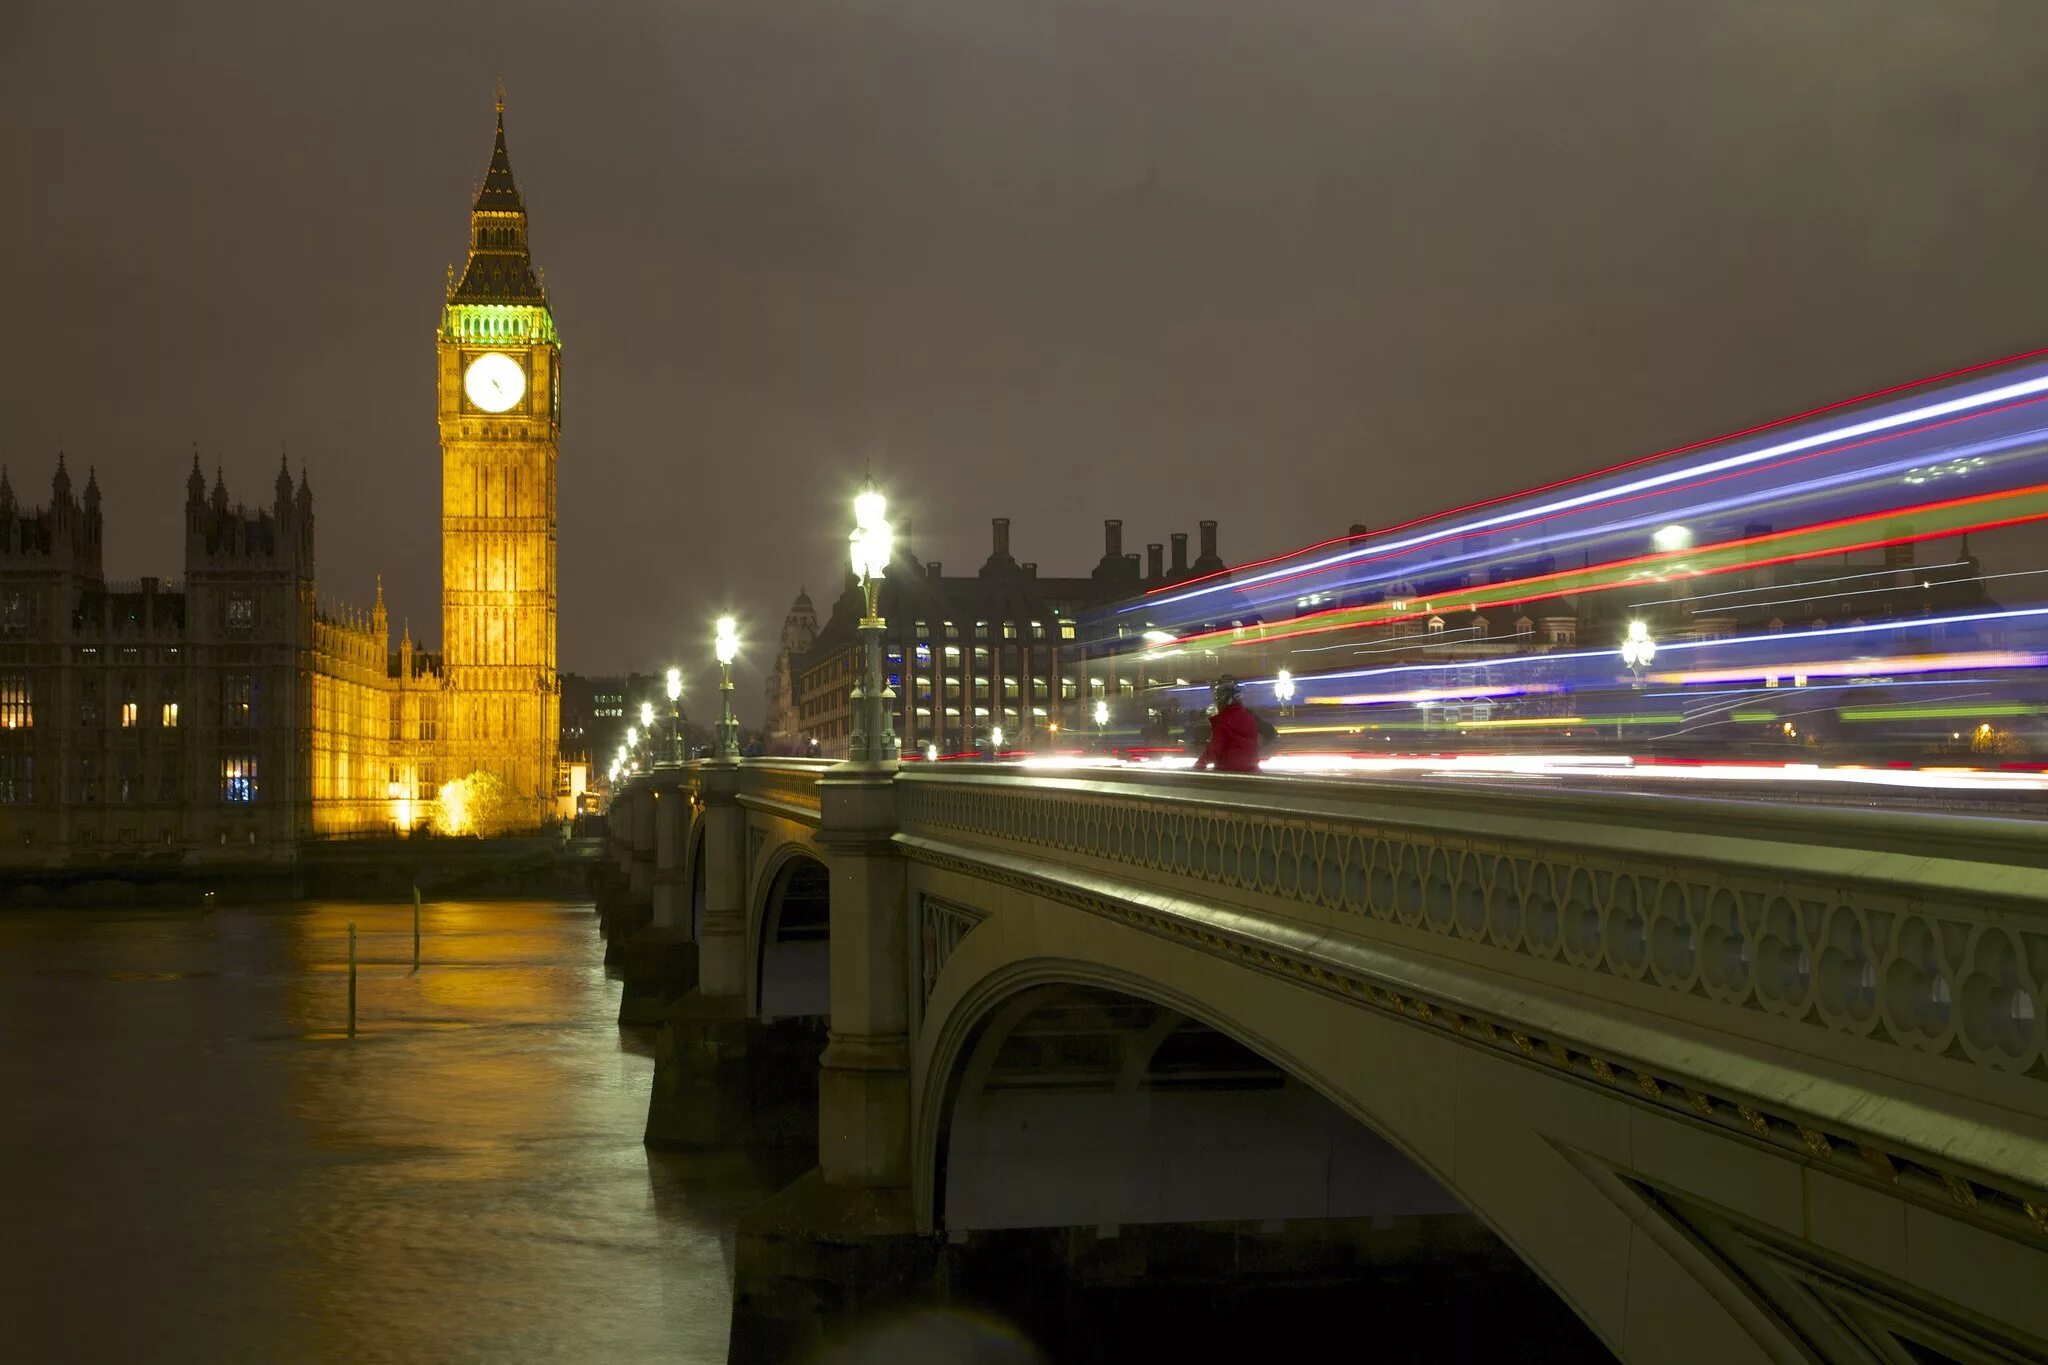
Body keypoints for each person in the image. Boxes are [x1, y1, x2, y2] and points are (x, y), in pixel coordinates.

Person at [1192, 675, 1263, 773]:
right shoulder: (1250, 718)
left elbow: (1214, 748)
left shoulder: (1222, 721)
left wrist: (1199, 764)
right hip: (1251, 770)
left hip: (1228, 772)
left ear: (1224, 700)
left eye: (1217, 699)